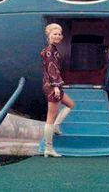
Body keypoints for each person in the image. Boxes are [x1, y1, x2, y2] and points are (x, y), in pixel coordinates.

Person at [40, 23, 75, 157]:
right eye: (54, 34)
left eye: (59, 34)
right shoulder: (50, 50)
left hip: (54, 85)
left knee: (71, 104)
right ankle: (48, 148)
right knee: (50, 118)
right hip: (52, 86)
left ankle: (56, 125)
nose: (57, 36)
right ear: (49, 35)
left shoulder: (53, 49)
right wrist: (56, 86)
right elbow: (51, 69)